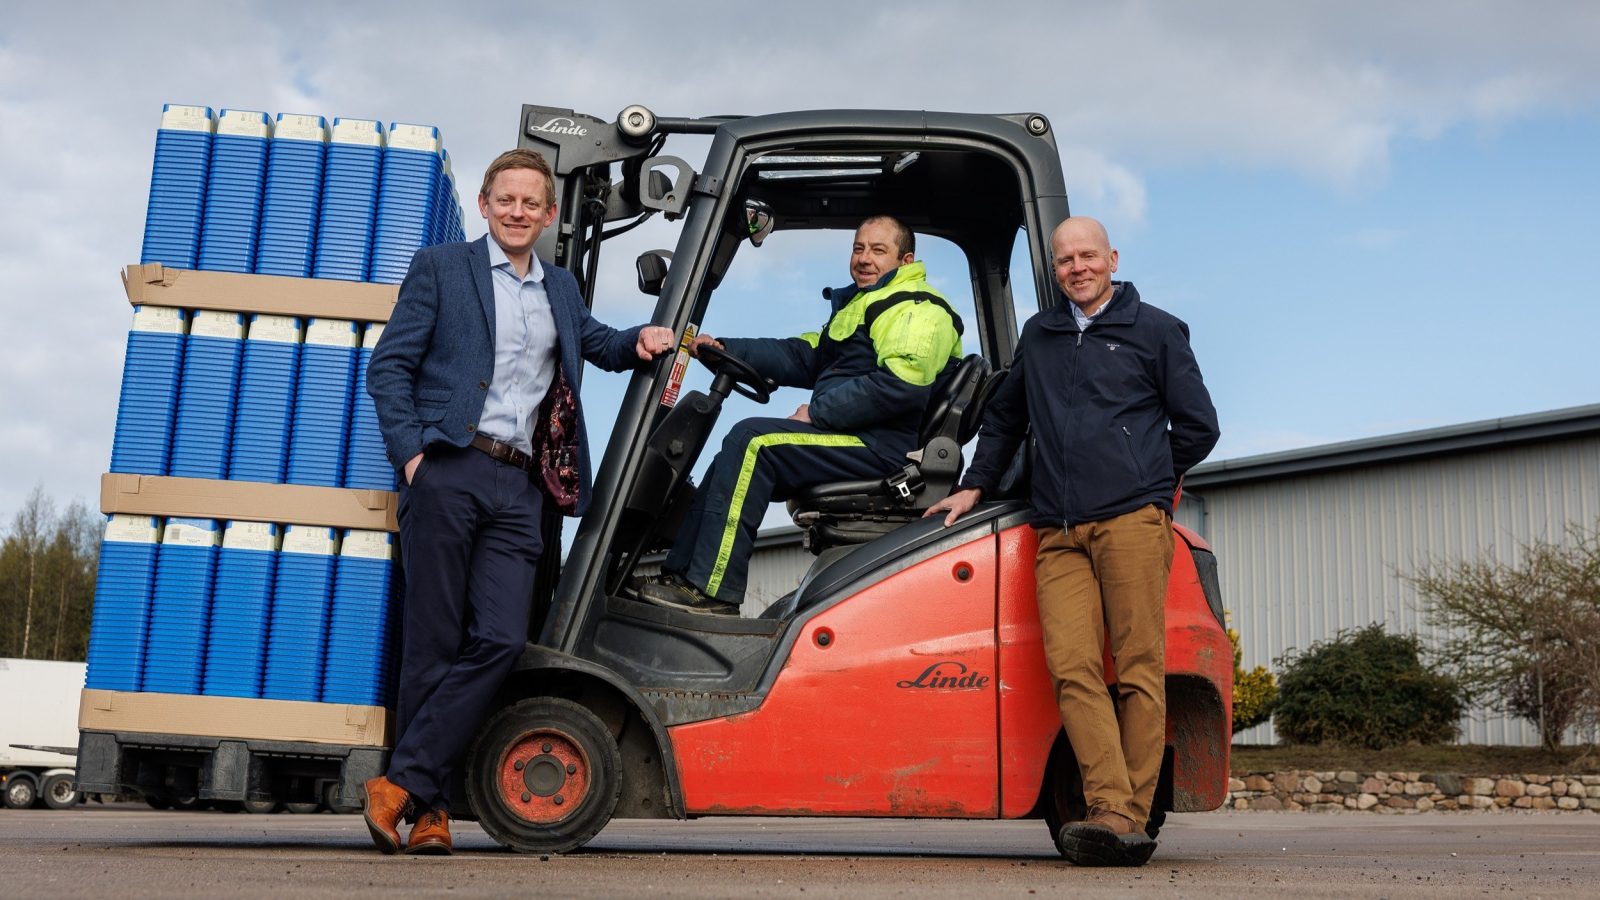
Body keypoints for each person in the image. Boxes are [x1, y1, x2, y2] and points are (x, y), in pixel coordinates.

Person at [362, 148, 675, 855]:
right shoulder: (442, 268)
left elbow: (599, 343)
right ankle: (432, 813)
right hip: (449, 468)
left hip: (521, 486)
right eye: (507, 200)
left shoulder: (560, 288)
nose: (518, 212)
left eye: (532, 203)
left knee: (502, 638)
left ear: (549, 215)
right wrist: (413, 456)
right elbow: (389, 368)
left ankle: (401, 781)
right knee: (433, 645)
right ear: (484, 203)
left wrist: (646, 339)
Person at [926, 216, 1219, 867]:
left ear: (1111, 258)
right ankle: (1112, 804)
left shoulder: (1157, 331)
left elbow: (1199, 427)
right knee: (1073, 668)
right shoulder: (1044, 334)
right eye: (1065, 260)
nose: (1077, 267)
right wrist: (973, 485)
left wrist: (1146, 479)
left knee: (1138, 668)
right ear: (1056, 269)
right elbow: (1004, 418)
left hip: (1129, 526)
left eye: (1087, 255)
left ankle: (1124, 814)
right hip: (1057, 532)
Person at [634, 215, 964, 615]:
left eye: (878, 251)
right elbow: (804, 355)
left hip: (881, 448)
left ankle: (712, 591)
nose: (864, 259)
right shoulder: (864, 304)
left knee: (753, 442)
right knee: (732, 454)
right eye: (858, 248)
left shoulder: (916, 307)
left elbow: (900, 386)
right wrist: (727, 348)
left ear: (905, 260)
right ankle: (681, 576)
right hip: (855, 438)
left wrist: (819, 412)